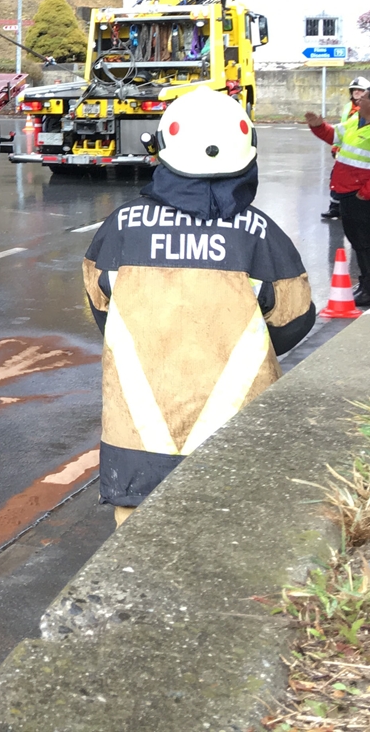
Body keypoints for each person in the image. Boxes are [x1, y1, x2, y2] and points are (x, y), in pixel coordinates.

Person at [83, 87, 315, 525]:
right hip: (236, 437)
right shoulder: (259, 234)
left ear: (163, 151)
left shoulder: (122, 227)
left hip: (137, 439)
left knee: (136, 564)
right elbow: (294, 320)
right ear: (248, 155)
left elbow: (100, 304)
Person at [305, 86, 370, 307]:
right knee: (359, 243)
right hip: (347, 193)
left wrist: (365, 193)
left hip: (364, 197)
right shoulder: (355, 121)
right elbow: (334, 135)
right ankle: (365, 284)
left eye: (364, 96)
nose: (359, 99)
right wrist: (317, 126)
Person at [318, 76, 369, 220]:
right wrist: (336, 147)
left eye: (360, 90)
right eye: (354, 90)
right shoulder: (348, 107)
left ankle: (354, 210)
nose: (357, 93)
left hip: (360, 154)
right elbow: (341, 130)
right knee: (336, 179)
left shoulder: (368, 109)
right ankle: (335, 208)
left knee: (357, 183)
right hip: (345, 152)